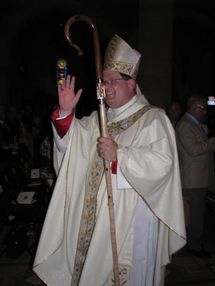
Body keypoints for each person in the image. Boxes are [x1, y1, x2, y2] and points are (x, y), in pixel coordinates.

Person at [33, 34, 186, 286]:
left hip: (131, 221)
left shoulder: (153, 119)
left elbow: (162, 166)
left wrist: (120, 156)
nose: (106, 87)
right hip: (93, 219)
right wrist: (66, 112)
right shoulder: (97, 119)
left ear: (132, 84)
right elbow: (72, 146)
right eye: (103, 81)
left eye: (114, 81)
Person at [176, 94, 215, 257]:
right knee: (194, 217)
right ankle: (193, 247)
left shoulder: (196, 124)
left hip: (198, 179)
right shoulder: (185, 125)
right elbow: (193, 150)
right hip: (192, 180)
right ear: (193, 107)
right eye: (202, 108)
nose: (205, 112)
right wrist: (213, 141)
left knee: (197, 216)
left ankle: (194, 245)